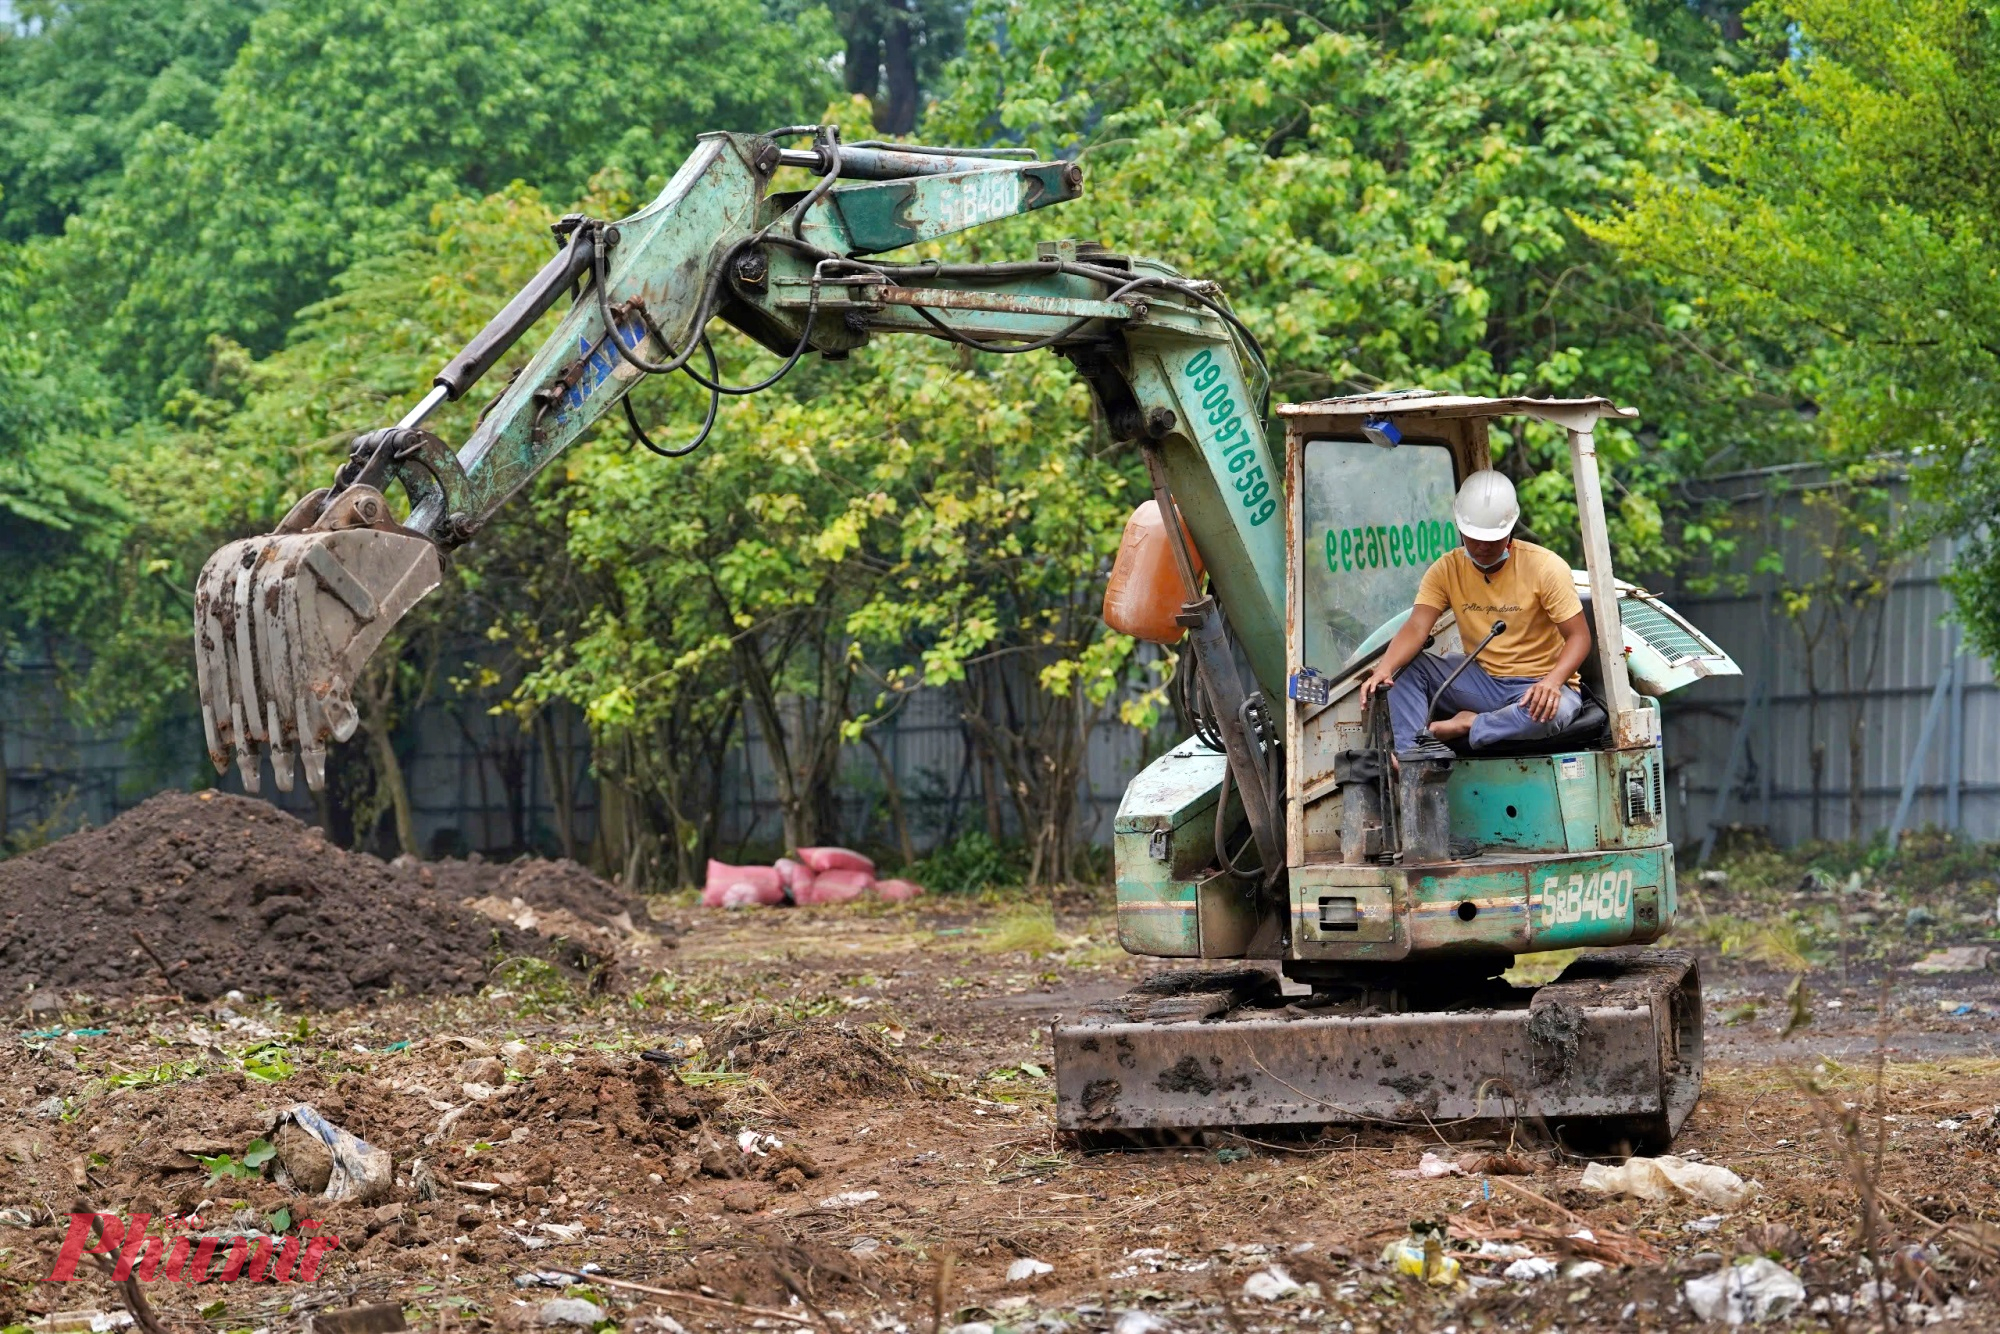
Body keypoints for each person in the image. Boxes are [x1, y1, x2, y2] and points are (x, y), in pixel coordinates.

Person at [1358, 469, 1592, 753]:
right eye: (1473, 537)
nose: (1481, 547)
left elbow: (1579, 637)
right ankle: (1412, 757)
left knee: (1546, 716)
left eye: (1491, 539)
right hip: (1483, 681)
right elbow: (1417, 627)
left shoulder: (1546, 567)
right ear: (1460, 529)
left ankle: (1469, 725)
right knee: (1404, 669)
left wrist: (1553, 682)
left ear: (1510, 530)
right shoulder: (1447, 568)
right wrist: (1384, 669)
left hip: (1538, 685)